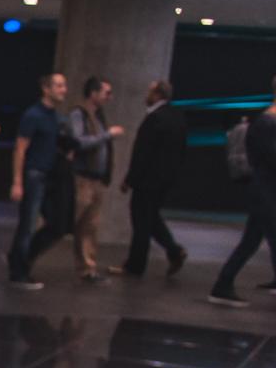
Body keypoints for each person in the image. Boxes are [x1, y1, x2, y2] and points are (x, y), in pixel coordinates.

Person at [207, 76, 276, 307]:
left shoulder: (267, 123)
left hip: (266, 191)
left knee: (251, 241)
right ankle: (222, 285)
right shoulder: (266, 124)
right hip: (265, 192)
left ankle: (222, 284)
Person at [5, 72, 76, 290]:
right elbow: (20, 148)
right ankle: (18, 272)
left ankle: (21, 259)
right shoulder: (33, 115)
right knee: (27, 224)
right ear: (46, 88)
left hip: (51, 176)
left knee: (57, 225)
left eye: (64, 85)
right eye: (59, 86)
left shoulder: (56, 117)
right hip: (34, 175)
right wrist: (17, 181)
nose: (63, 90)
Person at [116, 79, 188, 279]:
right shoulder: (177, 117)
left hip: (147, 180)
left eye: (150, 91)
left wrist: (130, 179)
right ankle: (174, 251)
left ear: (157, 95)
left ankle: (135, 265)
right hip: (165, 180)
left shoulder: (154, 119)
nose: (146, 95)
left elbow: (143, 153)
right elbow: (181, 151)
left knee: (141, 221)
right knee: (151, 218)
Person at [66, 77, 126, 284]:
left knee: (90, 226)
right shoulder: (79, 114)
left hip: (96, 179)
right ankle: (27, 255)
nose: (110, 97)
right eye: (106, 93)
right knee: (66, 222)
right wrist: (107, 135)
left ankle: (87, 269)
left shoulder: (98, 115)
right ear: (93, 93)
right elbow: (78, 142)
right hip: (82, 178)